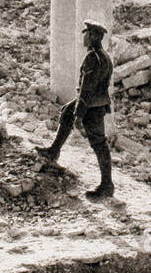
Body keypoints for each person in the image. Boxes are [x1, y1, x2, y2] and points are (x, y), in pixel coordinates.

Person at [36, 20, 114, 200]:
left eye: (86, 33)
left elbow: (87, 89)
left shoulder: (93, 58)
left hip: (92, 106)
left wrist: (79, 115)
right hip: (96, 102)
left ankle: (107, 185)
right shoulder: (103, 56)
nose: (84, 37)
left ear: (94, 36)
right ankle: (53, 151)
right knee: (65, 112)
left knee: (99, 143)